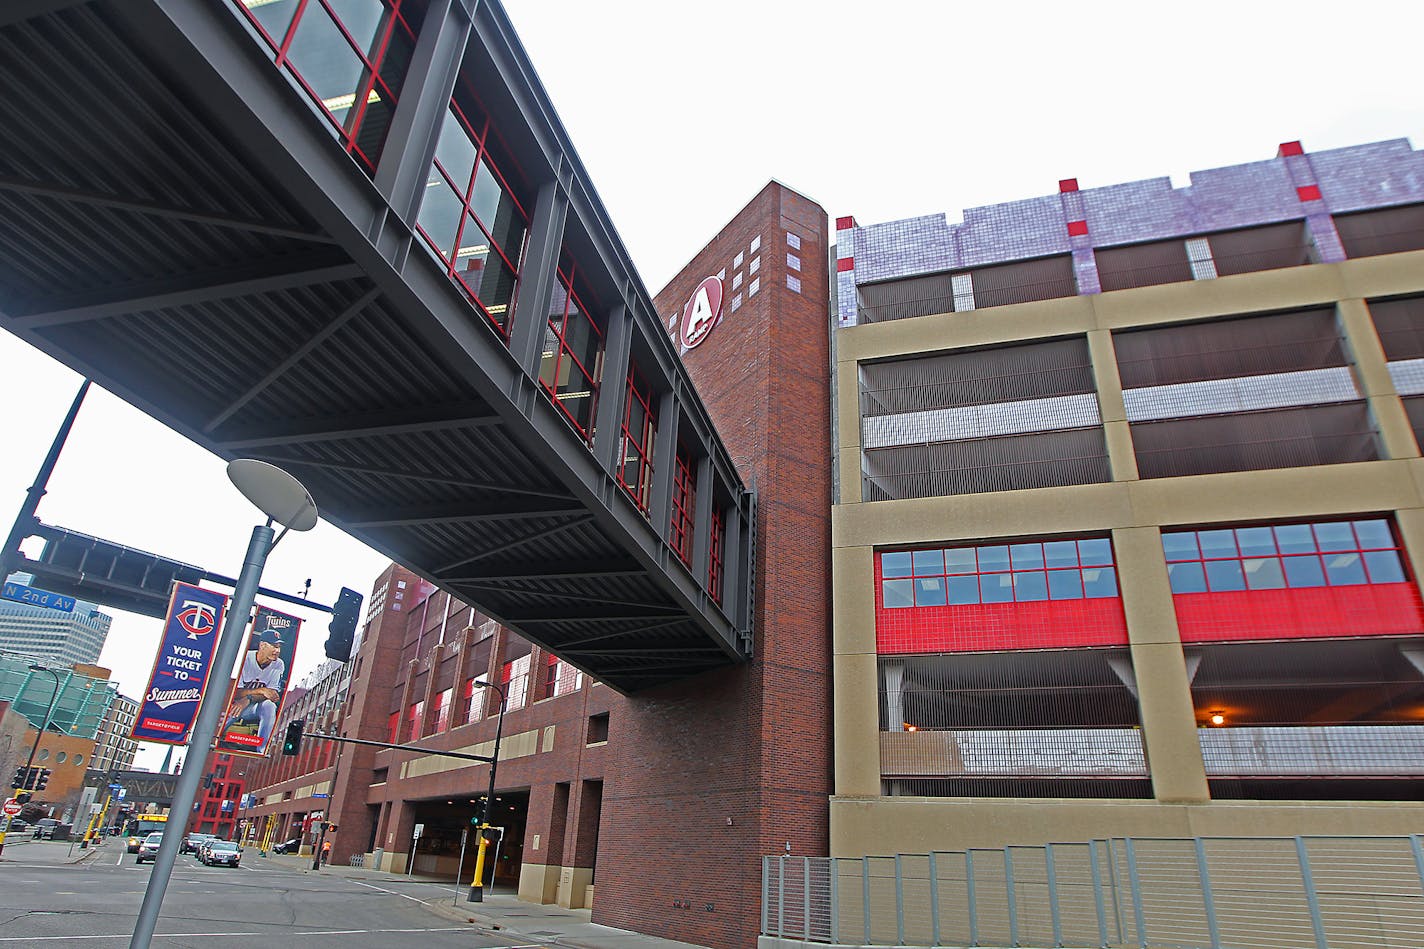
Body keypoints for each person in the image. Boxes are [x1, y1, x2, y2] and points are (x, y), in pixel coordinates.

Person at [222, 627, 287, 742]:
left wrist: (249, 698)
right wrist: (261, 690)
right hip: (233, 704)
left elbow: (271, 695)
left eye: (279, 647)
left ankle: (261, 749)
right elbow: (236, 692)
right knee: (217, 729)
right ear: (262, 645)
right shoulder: (245, 658)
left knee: (269, 706)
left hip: (252, 706)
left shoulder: (278, 664)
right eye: (274, 646)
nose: (277, 651)